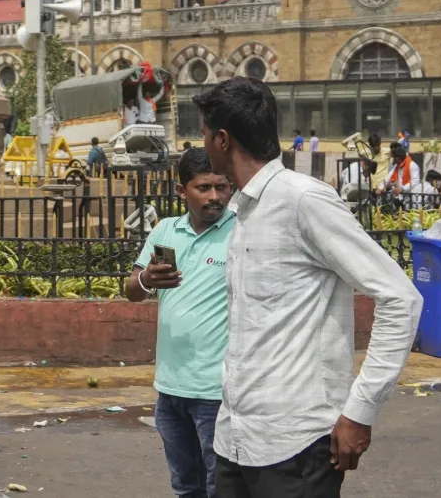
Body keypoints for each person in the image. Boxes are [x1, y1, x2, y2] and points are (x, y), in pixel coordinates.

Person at [193, 78, 422, 498]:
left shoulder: (303, 200)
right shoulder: (243, 210)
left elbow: (400, 297)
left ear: (223, 139)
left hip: (296, 447)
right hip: (236, 441)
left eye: (205, 134)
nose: (202, 143)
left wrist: (360, 410)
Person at [124, 149, 235, 498]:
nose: (214, 197)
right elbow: (131, 289)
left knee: (221, 486)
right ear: (181, 191)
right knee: (186, 486)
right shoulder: (165, 230)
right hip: (170, 388)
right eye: (203, 188)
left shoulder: (242, 233)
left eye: (222, 187)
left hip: (217, 390)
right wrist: (147, 281)